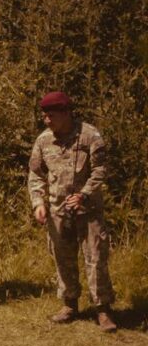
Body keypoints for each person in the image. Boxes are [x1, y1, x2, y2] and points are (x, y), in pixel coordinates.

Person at [28, 91, 116, 333]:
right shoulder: (43, 141)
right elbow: (36, 174)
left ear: (67, 113)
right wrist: (38, 202)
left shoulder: (89, 136)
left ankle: (103, 309)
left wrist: (85, 194)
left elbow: (100, 170)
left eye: (51, 114)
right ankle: (70, 304)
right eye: (44, 115)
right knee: (62, 258)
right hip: (57, 210)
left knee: (96, 259)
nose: (46, 119)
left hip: (88, 210)